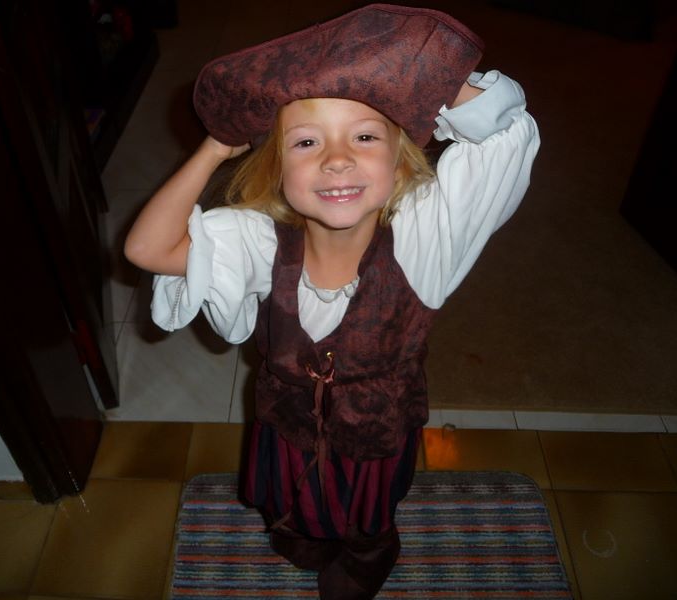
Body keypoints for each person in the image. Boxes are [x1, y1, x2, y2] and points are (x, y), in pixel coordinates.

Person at [124, 4, 539, 599]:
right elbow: (148, 247)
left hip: (375, 436)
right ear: (278, 169)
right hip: (287, 427)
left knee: (366, 517)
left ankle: (362, 563)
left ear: (399, 163)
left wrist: (432, 76)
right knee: (293, 502)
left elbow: (505, 131)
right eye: (306, 142)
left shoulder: (426, 239)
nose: (337, 158)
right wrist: (216, 147)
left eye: (365, 137)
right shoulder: (259, 240)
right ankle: (305, 542)